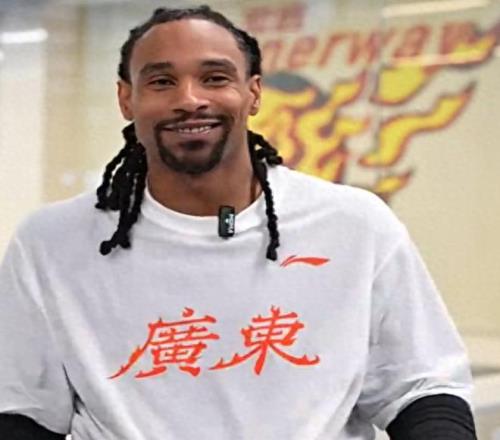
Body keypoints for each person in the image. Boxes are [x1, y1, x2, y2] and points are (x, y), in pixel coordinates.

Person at [0, 5, 477, 440]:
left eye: (214, 78)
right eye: (162, 82)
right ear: (127, 99)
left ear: (253, 92)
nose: (190, 99)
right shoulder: (51, 243)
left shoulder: (355, 225)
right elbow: (22, 411)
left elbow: (422, 388)